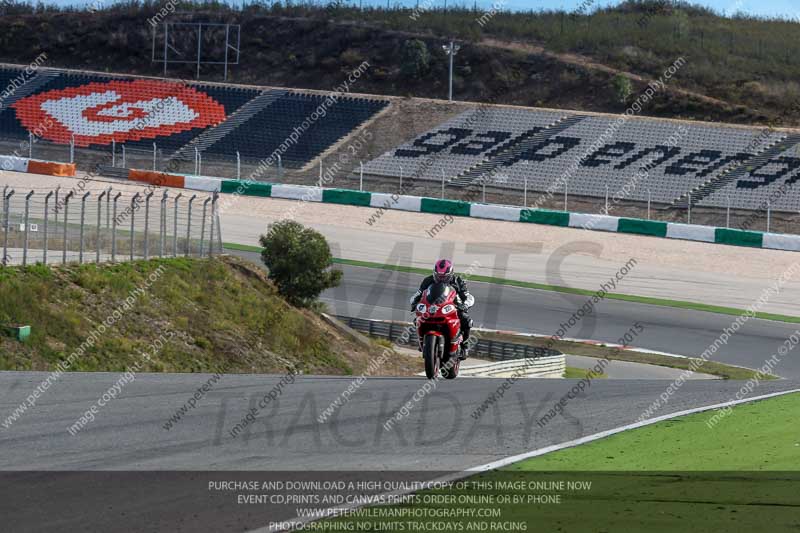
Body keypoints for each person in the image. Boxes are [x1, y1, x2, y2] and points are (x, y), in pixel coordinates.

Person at [410, 259, 474, 359]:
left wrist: (465, 305)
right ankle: (422, 342)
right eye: (438, 276)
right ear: (434, 273)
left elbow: (469, 297)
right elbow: (417, 294)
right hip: (432, 308)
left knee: (466, 320)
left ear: (450, 274)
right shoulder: (428, 280)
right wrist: (414, 302)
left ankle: (465, 346)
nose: (440, 279)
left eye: (444, 277)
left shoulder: (458, 281)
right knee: (417, 320)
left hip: (452, 307)